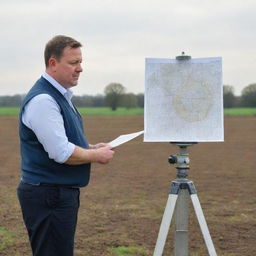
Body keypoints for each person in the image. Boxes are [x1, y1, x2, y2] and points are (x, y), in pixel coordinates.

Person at [17, 35, 115, 256]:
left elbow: (59, 141)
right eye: (73, 63)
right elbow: (61, 152)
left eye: (80, 62)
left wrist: (89, 147)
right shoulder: (44, 100)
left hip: (55, 193)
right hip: (48, 194)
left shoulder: (59, 96)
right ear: (53, 63)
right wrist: (96, 155)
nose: (80, 69)